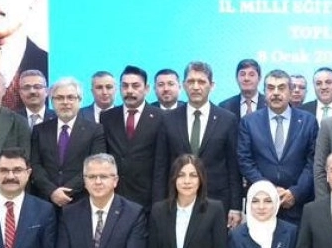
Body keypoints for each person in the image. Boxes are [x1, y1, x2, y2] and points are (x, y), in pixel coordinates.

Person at [153, 61, 241, 224]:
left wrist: (235, 207)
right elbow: (160, 166)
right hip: (177, 201)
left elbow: (233, 168)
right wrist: (159, 205)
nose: (195, 87)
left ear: (212, 85)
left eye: (201, 82)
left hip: (217, 201)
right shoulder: (168, 119)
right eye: (191, 81)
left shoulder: (227, 119)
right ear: (183, 85)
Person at [236, 69, 318, 224]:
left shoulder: (308, 121)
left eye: (281, 88)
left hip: (298, 205)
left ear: (290, 91)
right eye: (270, 88)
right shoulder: (249, 122)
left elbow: (313, 162)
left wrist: (295, 193)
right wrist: (269, 191)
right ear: (264, 91)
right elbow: (245, 160)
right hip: (261, 204)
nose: (275, 93)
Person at [28, 77, 106, 207]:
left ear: (80, 100)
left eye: (70, 97)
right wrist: (52, 191)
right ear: (52, 101)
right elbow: (35, 165)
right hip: (45, 201)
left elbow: (94, 166)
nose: (65, 102)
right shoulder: (40, 130)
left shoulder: (95, 130)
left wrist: (67, 192)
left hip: (80, 201)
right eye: (59, 98)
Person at [98, 65, 163, 207]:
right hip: (114, 196)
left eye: (135, 86)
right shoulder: (107, 117)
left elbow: (161, 164)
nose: (129, 91)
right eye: (125, 86)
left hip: (147, 198)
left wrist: (158, 202)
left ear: (146, 89)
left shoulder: (161, 117)